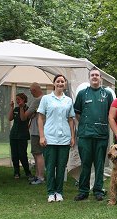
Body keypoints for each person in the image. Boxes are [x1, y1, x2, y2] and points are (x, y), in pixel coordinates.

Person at [73, 67, 114, 201]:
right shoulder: (82, 94)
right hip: (85, 135)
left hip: (101, 135)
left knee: (99, 164)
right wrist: (86, 125)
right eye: (92, 75)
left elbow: (111, 115)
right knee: (85, 163)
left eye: (97, 75)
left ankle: (98, 190)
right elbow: (77, 113)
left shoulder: (107, 94)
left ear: (100, 78)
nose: (95, 77)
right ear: (89, 78)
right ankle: (83, 191)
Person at [38, 74, 75, 202]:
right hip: (49, 137)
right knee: (50, 165)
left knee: (61, 166)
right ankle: (50, 192)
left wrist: (72, 136)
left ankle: (59, 192)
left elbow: (71, 119)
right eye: (58, 81)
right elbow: (40, 118)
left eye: (62, 82)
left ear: (65, 84)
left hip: (64, 138)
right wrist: (42, 136)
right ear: (54, 83)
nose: (60, 83)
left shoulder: (68, 100)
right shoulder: (46, 99)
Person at [8, 92, 32, 179]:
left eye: (19, 99)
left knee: (22, 154)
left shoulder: (28, 109)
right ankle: (16, 172)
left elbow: (23, 119)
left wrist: (22, 108)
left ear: (24, 100)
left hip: (23, 135)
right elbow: (10, 118)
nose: (17, 101)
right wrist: (11, 107)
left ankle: (27, 172)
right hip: (14, 135)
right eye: (16, 99)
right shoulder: (16, 109)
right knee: (14, 155)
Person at [25, 82, 45, 185]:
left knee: (38, 154)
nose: (31, 93)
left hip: (37, 131)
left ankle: (40, 177)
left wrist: (31, 113)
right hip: (41, 131)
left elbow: (26, 114)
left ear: (35, 90)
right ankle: (37, 175)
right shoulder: (45, 98)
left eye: (31, 91)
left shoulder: (37, 100)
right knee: (37, 153)